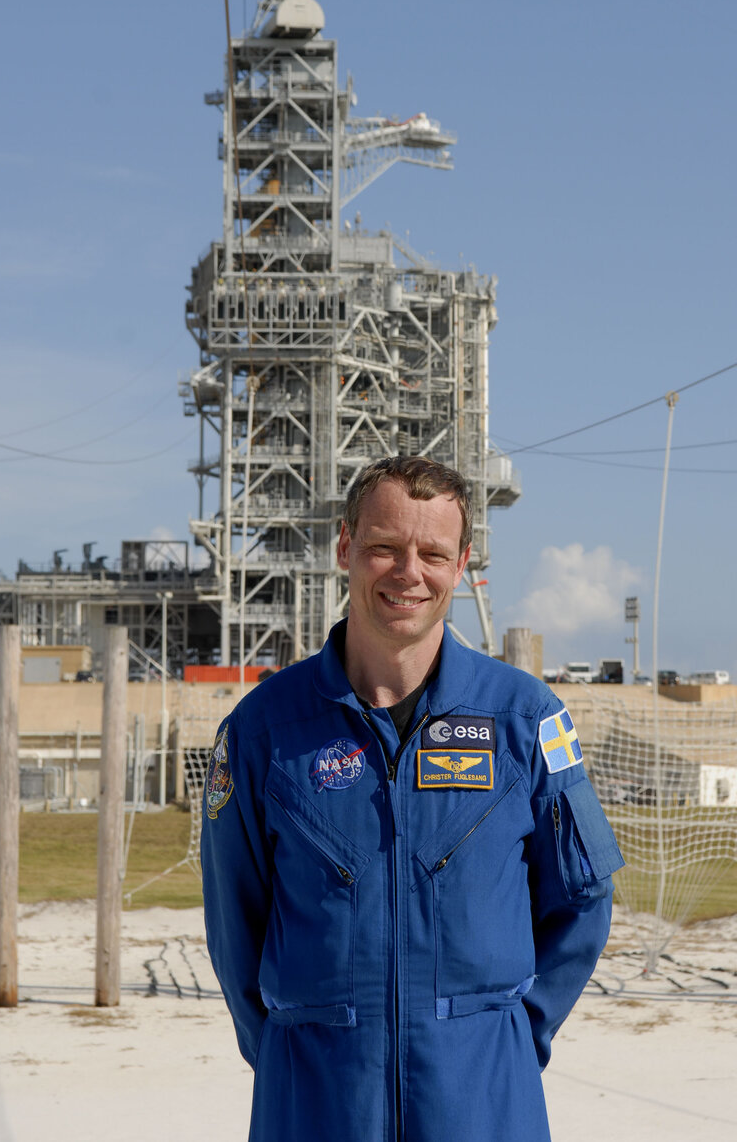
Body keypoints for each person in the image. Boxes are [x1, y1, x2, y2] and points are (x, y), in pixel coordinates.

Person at [202, 455, 623, 1142]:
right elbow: (233, 925)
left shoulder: (522, 721)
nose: (408, 573)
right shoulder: (263, 733)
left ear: (461, 567)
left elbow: (581, 902)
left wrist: (510, 1037)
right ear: (345, 546)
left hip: (483, 1103)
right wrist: (288, 1052)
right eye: (384, 549)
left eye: (432, 553)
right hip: (315, 1104)